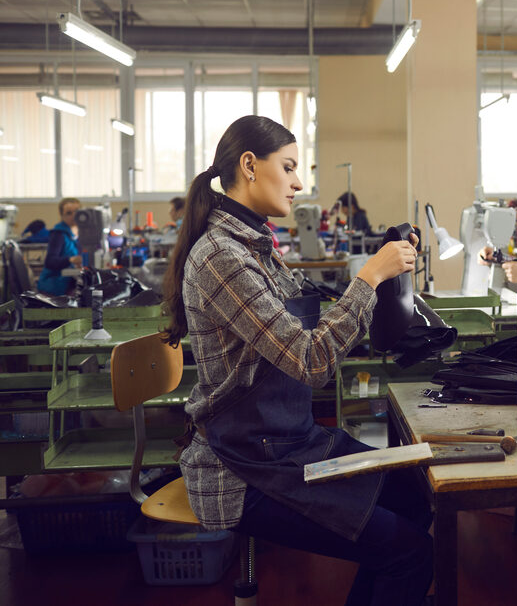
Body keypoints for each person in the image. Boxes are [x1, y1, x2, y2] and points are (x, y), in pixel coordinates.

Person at [161, 116, 432, 606]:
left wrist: (387, 296)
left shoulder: (257, 247)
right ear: (249, 166)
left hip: (288, 444)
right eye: (288, 167)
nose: (299, 182)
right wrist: (368, 279)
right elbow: (310, 360)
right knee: (408, 552)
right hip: (244, 467)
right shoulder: (223, 257)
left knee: (416, 498)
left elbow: (306, 334)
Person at [36, 197, 82, 295]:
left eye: (76, 211)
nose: (74, 216)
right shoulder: (58, 234)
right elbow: (50, 262)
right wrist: (71, 260)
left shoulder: (80, 233)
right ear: (62, 216)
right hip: (54, 285)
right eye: (69, 213)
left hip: (69, 282)